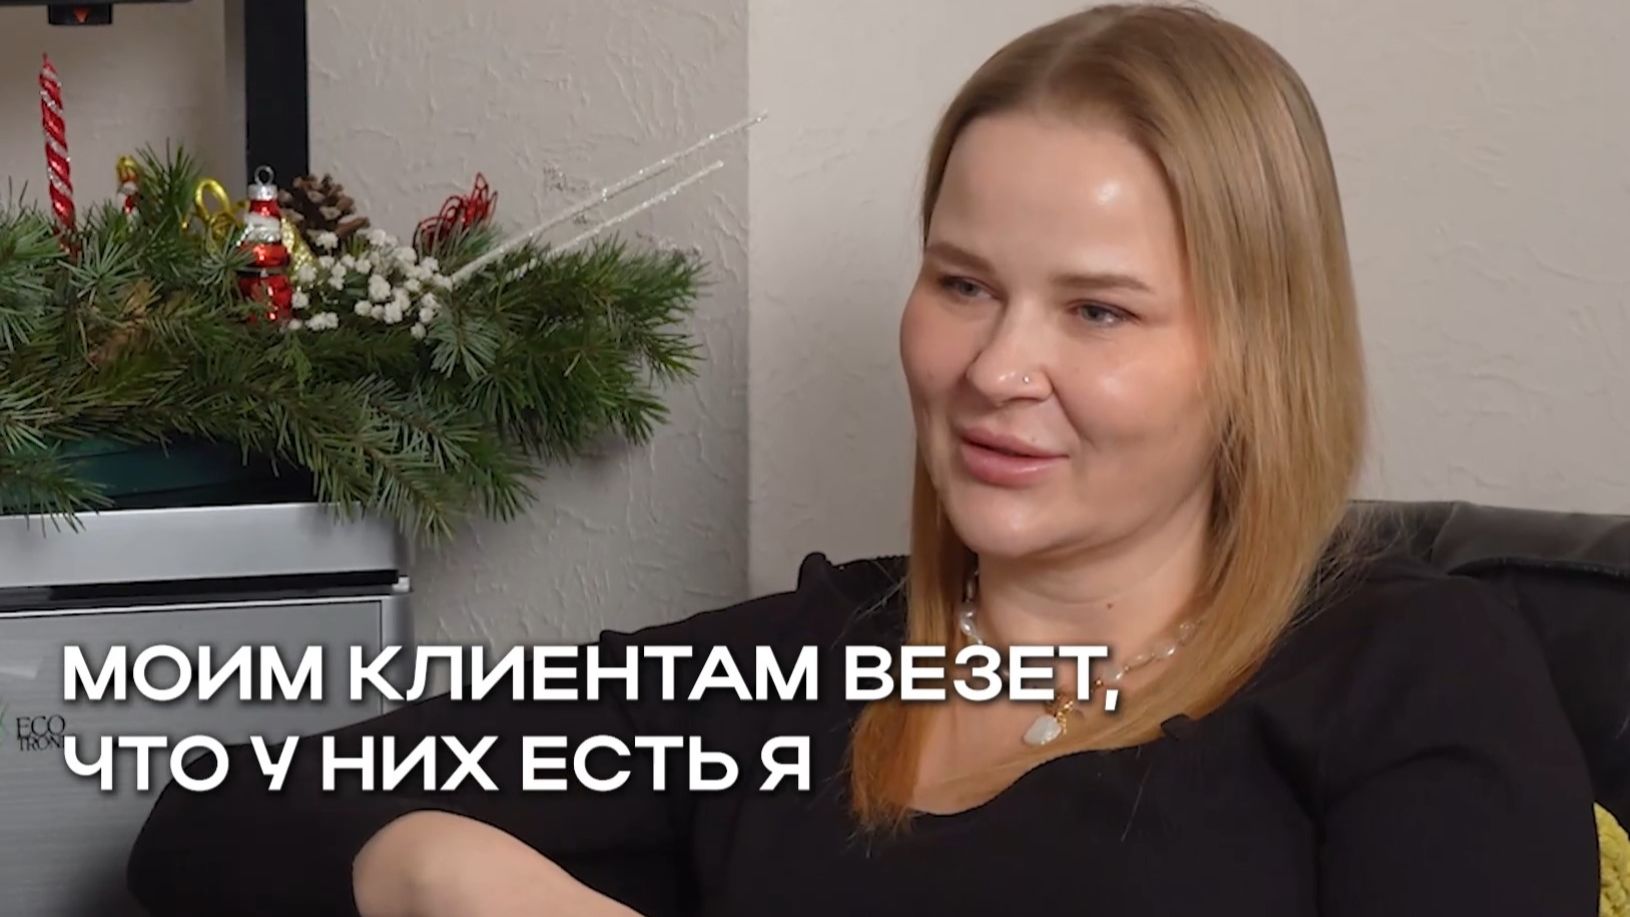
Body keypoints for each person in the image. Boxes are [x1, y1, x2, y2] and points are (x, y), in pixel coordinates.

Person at [125, 4, 1600, 915]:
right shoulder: (786, 676)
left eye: (1097, 310)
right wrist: (435, 867)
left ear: (1258, 354)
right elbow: (212, 830)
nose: (994, 367)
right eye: (962, 283)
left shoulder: (1409, 669)